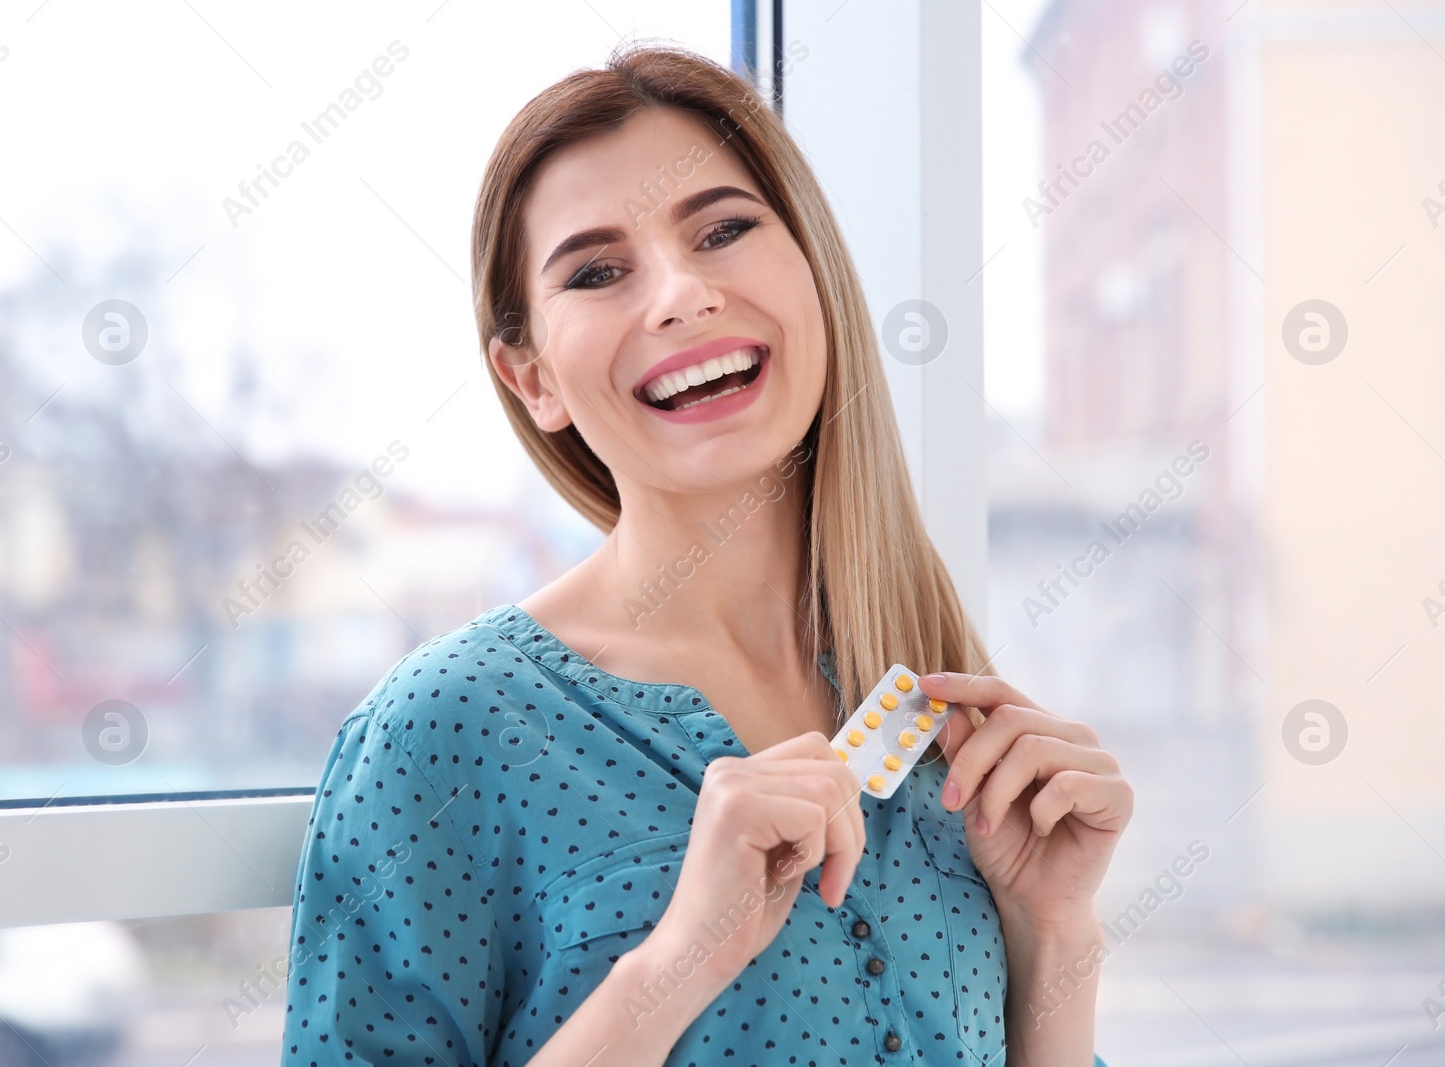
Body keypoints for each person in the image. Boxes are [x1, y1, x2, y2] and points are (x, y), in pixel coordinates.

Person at [280, 44, 1129, 1067]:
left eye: (723, 230)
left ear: (812, 268)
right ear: (531, 377)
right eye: (597, 271)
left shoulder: (928, 718)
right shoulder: (443, 731)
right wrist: (675, 961)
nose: (680, 293)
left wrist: (1055, 930)